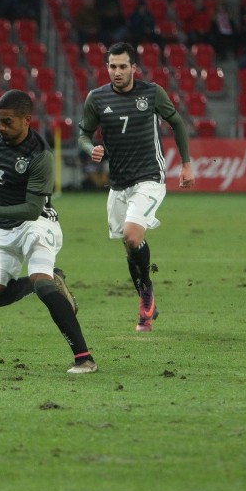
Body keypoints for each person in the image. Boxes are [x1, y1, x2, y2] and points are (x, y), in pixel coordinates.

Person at [0, 90, 98, 374]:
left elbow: (31, 209)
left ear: (26, 120)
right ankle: (48, 281)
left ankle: (84, 357)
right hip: (0, 227)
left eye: (7, 122)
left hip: (38, 224)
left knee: (42, 283)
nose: (1, 127)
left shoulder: (40, 154)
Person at [78, 42, 195, 332]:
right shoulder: (96, 98)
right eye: (112, 66)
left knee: (132, 236)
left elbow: (177, 122)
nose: (116, 72)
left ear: (133, 68)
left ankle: (145, 297)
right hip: (118, 185)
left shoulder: (152, 93)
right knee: (130, 248)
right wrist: (88, 147)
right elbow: (83, 133)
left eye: (122, 66)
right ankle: (146, 295)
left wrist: (187, 163)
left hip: (150, 178)